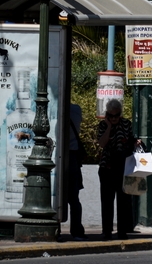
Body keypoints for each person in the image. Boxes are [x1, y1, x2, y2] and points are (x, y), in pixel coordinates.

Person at [97, 98, 140, 240]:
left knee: (124, 201)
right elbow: (102, 144)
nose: (114, 118)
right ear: (107, 115)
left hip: (124, 166)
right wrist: (109, 127)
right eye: (111, 115)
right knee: (107, 201)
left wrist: (135, 142)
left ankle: (122, 230)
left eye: (116, 115)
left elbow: (130, 139)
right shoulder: (103, 126)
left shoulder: (126, 124)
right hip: (107, 167)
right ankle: (107, 231)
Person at [68, 103, 87, 241]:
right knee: (74, 197)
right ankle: (77, 230)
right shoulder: (77, 109)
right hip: (73, 156)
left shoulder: (56, 109)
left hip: (63, 154)